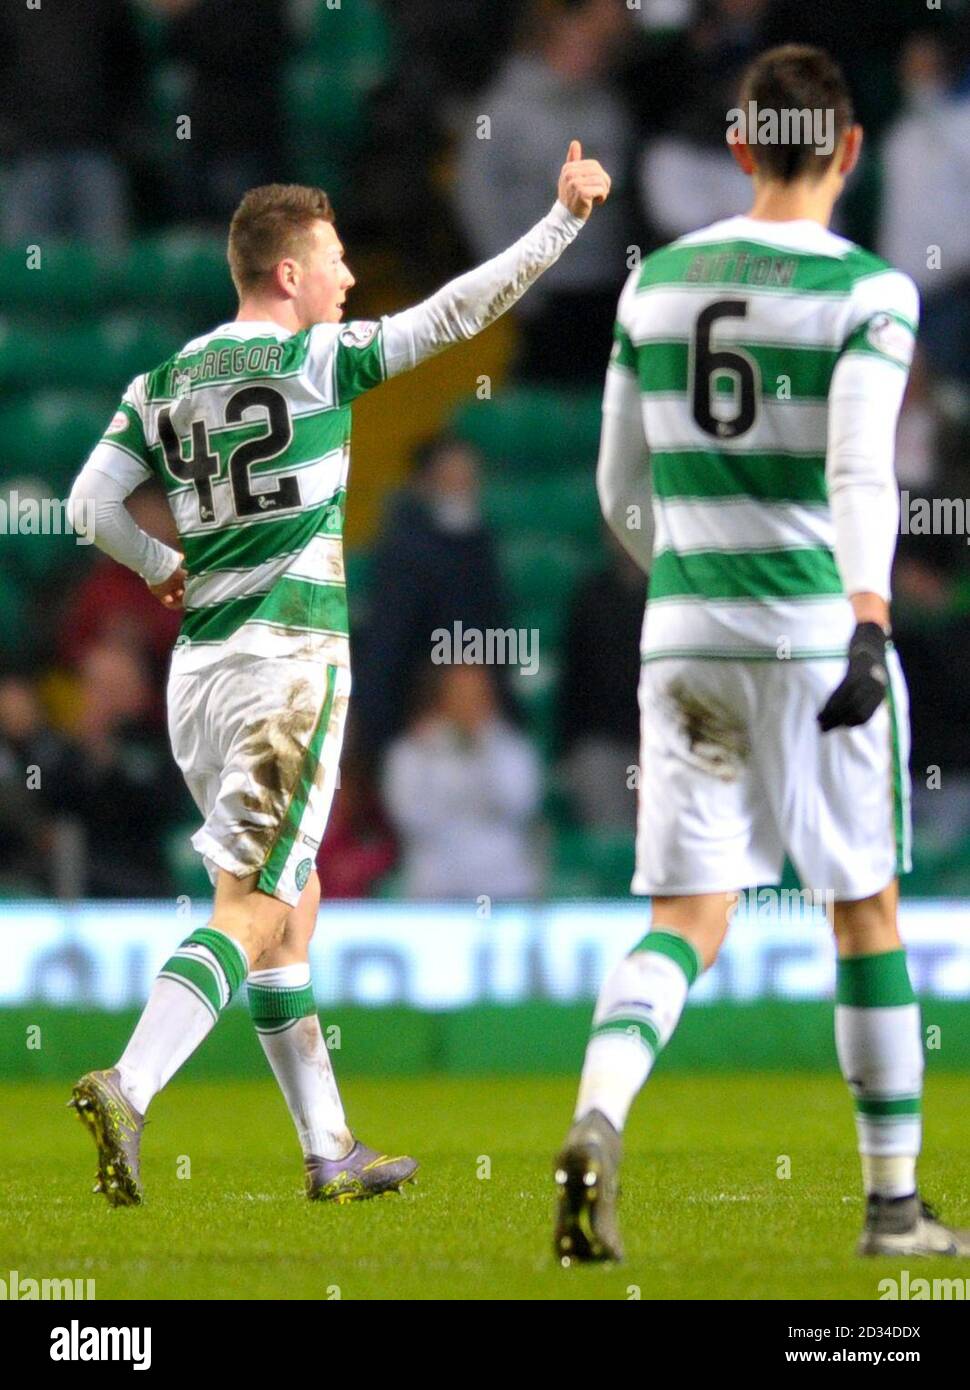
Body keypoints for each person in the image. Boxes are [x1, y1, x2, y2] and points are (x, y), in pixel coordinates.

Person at [67, 145, 611, 1207]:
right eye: (334, 260)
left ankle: (329, 1148)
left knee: (290, 900)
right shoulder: (317, 364)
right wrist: (561, 222)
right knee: (254, 899)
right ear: (286, 276)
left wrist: (162, 564)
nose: (349, 278)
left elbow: (91, 504)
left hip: (200, 677)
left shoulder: (163, 381)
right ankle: (129, 1082)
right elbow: (456, 314)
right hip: (286, 665)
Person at [553, 45, 970, 1263]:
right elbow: (858, 468)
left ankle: (595, 1116)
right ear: (847, 151)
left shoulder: (653, 284)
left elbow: (616, 490)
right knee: (863, 909)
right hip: (812, 637)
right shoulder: (871, 294)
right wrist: (866, 613)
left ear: (736, 151)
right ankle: (892, 1208)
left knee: (688, 911)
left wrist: (686, 569)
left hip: (681, 631)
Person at [382, 664, 543, 900]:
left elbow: (521, 806)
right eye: (460, 693)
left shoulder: (512, 748)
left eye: (476, 693)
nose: (468, 702)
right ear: (442, 697)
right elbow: (408, 817)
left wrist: (483, 750)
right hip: (435, 886)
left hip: (505, 885)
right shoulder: (412, 751)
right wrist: (442, 756)